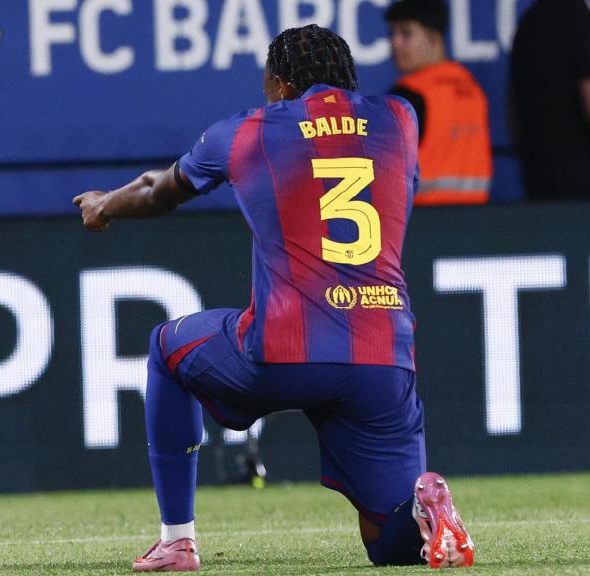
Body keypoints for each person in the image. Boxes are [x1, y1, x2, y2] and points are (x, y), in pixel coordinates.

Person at [73, 25, 475, 571]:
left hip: (286, 348)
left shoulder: (245, 131)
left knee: (167, 350)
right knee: (390, 544)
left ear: (281, 85)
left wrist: (104, 204)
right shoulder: (400, 118)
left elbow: (156, 190)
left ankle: (177, 541)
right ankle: (426, 510)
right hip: (383, 356)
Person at [385, 0, 493, 205]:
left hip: (422, 223)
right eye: (392, 33)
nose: (395, 43)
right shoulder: (474, 90)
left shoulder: (407, 96)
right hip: (477, 221)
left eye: (406, 33)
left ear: (434, 38)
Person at [510, 0, 590, 200]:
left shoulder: (527, 22)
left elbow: (512, 111)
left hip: (536, 173)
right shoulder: (578, 18)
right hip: (580, 178)